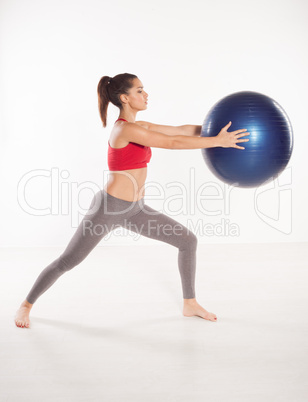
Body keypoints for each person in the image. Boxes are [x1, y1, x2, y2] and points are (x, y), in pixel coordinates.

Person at [15, 73, 250, 328]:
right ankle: (25, 306)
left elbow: (182, 130)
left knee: (187, 241)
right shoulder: (123, 129)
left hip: (135, 210)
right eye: (139, 90)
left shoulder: (141, 127)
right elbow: (171, 143)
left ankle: (190, 303)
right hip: (109, 207)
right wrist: (217, 142)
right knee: (68, 261)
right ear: (125, 98)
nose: (145, 94)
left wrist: (217, 130)